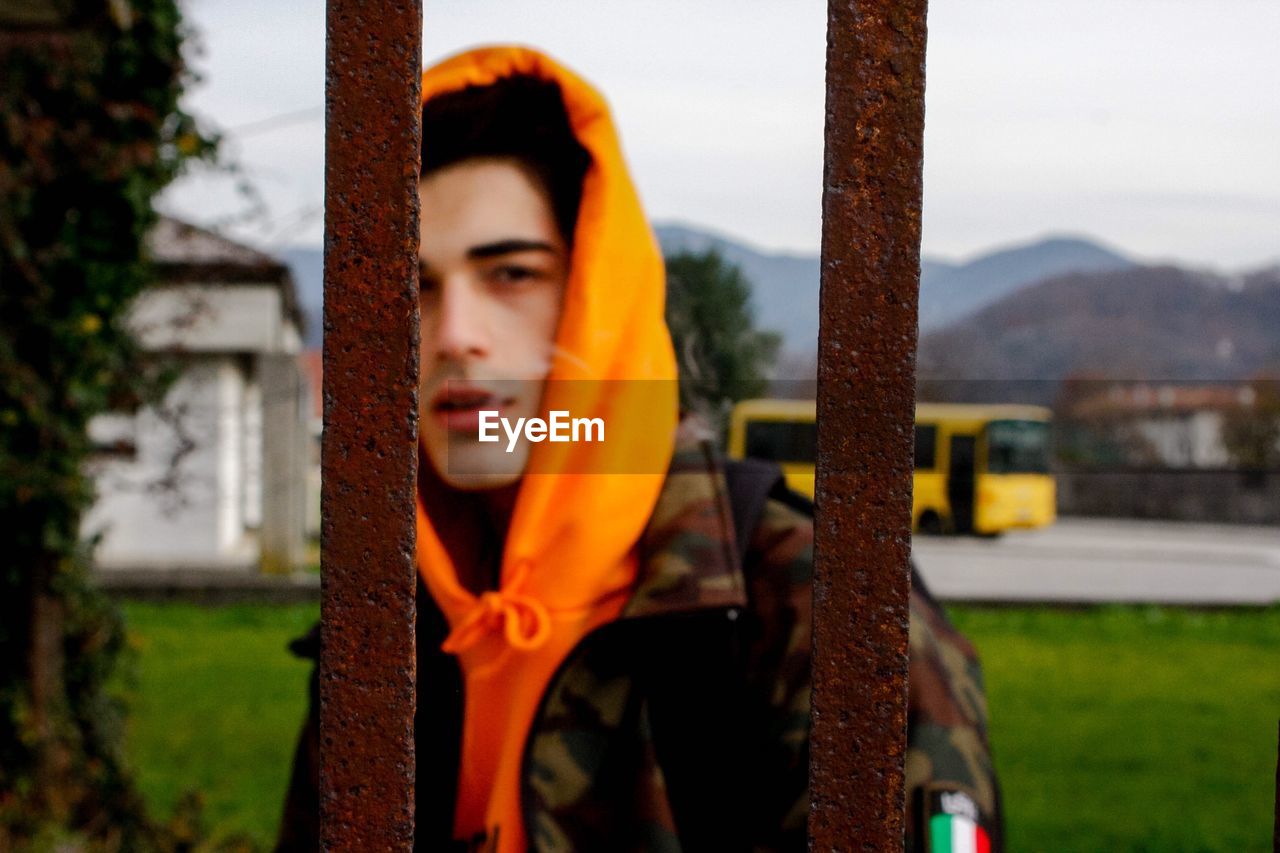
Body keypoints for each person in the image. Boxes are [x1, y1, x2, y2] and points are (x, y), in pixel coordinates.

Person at [276, 45, 1002, 852]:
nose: (453, 337)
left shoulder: (803, 591)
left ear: (600, 294)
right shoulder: (390, 609)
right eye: (413, 286)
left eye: (511, 273)